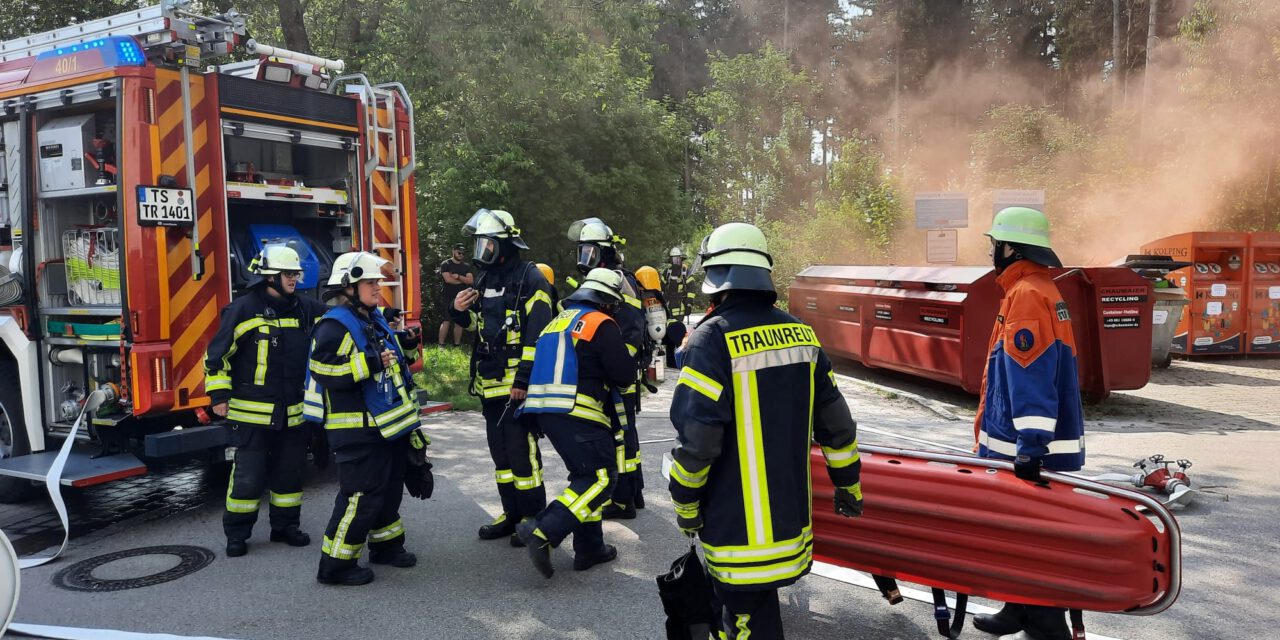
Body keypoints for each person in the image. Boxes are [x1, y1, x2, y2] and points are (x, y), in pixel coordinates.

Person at [668, 222, 863, 639]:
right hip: (789, 528)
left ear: (715, 279)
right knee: (746, 616)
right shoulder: (801, 335)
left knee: (746, 622)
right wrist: (848, 484)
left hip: (735, 531)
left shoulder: (710, 341)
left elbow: (698, 443)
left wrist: (685, 503)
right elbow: (837, 426)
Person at [972, 207, 1085, 640]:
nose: (991, 252)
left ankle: (1042, 620)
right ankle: (1018, 607)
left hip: (1028, 446)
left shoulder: (1025, 295)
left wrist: (1030, 445)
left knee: (1030, 536)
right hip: (1031, 442)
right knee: (1018, 535)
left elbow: (1030, 373)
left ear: (1010, 248)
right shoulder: (1035, 288)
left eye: (995, 244)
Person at [306, 251, 427, 586]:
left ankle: (387, 546)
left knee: (387, 492)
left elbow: (395, 365)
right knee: (360, 495)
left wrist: (407, 345)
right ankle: (336, 565)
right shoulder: (334, 325)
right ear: (348, 286)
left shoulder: (372, 320)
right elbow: (322, 369)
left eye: (378, 281)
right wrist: (370, 363)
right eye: (371, 282)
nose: (378, 288)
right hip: (356, 430)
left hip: (385, 427)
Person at [205, 244, 326, 558]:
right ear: (269, 278)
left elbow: (336, 317)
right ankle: (237, 534)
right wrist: (219, 396)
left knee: (290, 473)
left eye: (295, 274)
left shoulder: (303, 308)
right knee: (249, 476)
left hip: (294, 412)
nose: (294, 279)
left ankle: (285, 527)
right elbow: (217, 357)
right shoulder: (242, 310)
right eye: (288, 274)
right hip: (252, 413)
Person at [514, 268, 637, 578]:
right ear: (608, 301)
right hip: (579, 411)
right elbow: (623, 374)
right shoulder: (600, 323)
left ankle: (590, 548)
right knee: (602, 478)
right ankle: (543, 531)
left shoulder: (555, 323)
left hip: (547, 413)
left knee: (585, 476)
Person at [451, 209, 555, 545]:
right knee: (502, 459)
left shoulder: (531, 278)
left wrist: (523, 381)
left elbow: (538, 337)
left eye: (488, 244)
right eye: (479, 244)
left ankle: (531, 519)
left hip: (517, 388)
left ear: (506, 244)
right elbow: (478, 330)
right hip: (490, 386)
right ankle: (511, 515)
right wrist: (457, 311)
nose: (482, 251)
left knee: (522, 455)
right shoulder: (483, 280)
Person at [567, 217, 648, 518]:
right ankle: (632, 494)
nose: (585, 260)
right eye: (582, 252)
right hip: (617, 370)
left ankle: (622, 499)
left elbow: (629, 328)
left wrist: (613, 367)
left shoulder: (617, 280)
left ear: (605, 253)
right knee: (625, 435)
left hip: (618, 373)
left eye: (591, 252)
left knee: (620, 435)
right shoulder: (602, 279)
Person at [662, 247, 696, 367]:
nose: (676, 261)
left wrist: (688, 304)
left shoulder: (686, 272)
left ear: (681, 259)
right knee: (669, 332)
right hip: (669, 305)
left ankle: (680, 358)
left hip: (680, 305)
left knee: (679, 333)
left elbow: (691, 288)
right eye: (674, 259)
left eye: (678, 259)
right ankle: (671, 362)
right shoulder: (667, 272)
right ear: (670, 260)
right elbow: (661, 287)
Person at [438, 243, 475, 346]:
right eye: (459, 252)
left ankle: (457, 345)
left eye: (463, 253)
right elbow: (448, 280)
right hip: (447, 296)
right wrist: (464, 280)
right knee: (447, 320)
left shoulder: (466, 266)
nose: (461, 255)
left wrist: (458, 277)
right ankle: (441, 344)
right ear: (453, 251)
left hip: (462, 297)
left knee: (459, 321)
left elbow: (471, 281)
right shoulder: (446, 264)